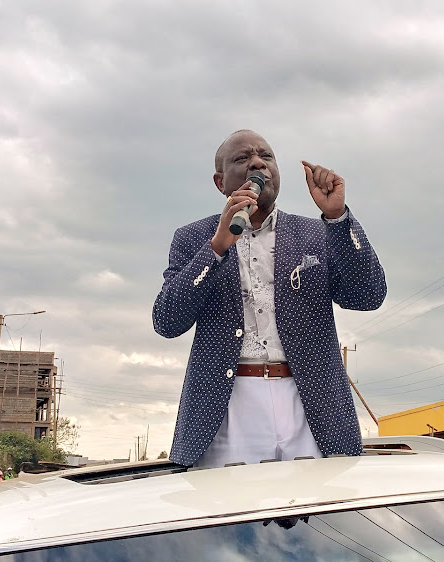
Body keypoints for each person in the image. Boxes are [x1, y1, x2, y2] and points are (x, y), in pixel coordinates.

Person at [153, 130, 387, 467]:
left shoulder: (316, 233)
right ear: (221, 182)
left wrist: (337, 218)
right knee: (232, 515)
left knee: (316, 514)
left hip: (311, 403)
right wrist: (216, 248)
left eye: (266, 156)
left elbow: (368, 296)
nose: (258, 163)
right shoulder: (194, 238)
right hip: (229, 404)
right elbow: (167, 322)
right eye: (242, 158)